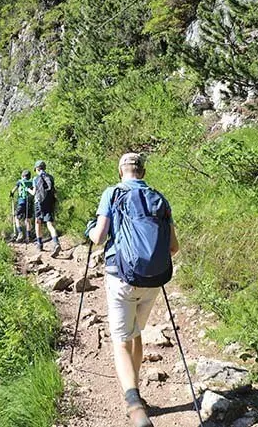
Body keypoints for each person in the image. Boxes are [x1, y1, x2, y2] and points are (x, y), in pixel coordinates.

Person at [87, 153, 179, 427]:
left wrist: (90, 230)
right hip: (152, 282)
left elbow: (100, 237)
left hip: (121, 277)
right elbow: (173, 247)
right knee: (137, 333)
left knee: (121, 340)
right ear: (143, 171)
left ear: (120, 171)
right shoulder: (160, 198)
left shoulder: (112, 194)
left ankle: (134, 403)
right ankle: (137, 391)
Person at [27, 160, 61, 256]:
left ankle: (40, 244)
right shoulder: (50, 177)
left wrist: (28, 189)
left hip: (39, 203)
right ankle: (56, 242)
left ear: (37, 169)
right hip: (49, 202)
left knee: (38, 222)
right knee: (49, 223)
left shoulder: (35, 179)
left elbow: (34, 193)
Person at [9, 169, 34, 242]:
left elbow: (13, 191)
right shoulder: (31, 182)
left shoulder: (20, 182)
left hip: (22, 202)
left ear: (22, 176)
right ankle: (29, 236)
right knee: (28, 219)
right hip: (29, 202)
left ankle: (20, 233)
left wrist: (11, 194)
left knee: (16, 217)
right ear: (29, 176)